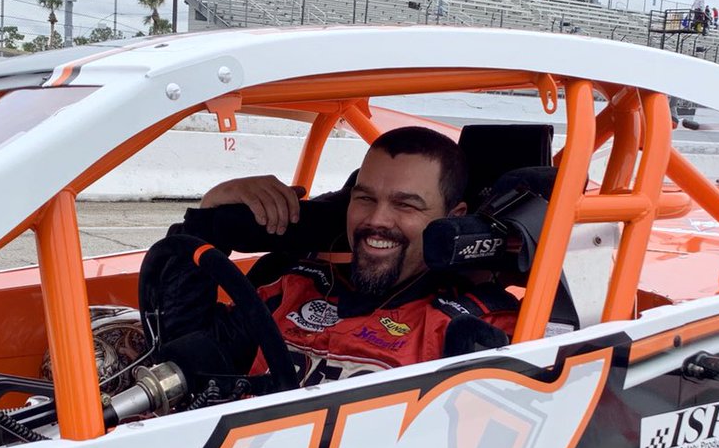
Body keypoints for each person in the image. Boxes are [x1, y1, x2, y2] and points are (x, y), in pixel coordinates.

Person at [157, 127, 518, 386]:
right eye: (365, 198)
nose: (377, 220)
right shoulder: (295, 287)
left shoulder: (468, 326)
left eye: (405, 205)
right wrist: (208, 216)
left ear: (452, 219)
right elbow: (183, 351)